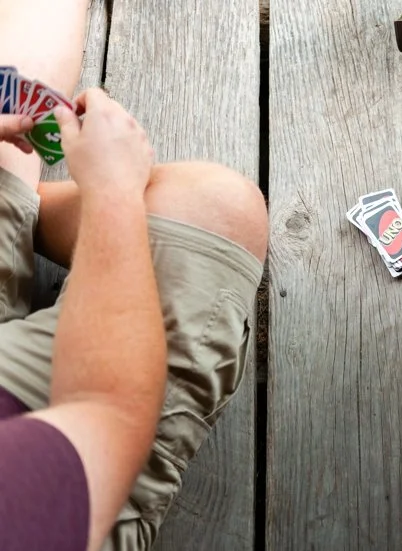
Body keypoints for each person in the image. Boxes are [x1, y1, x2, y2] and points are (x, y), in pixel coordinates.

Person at [0, 4, 270, 549]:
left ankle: (17, 198)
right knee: (218, 208)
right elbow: (108, 411)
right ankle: (18, 197)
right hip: (77, 444)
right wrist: (111, 191)